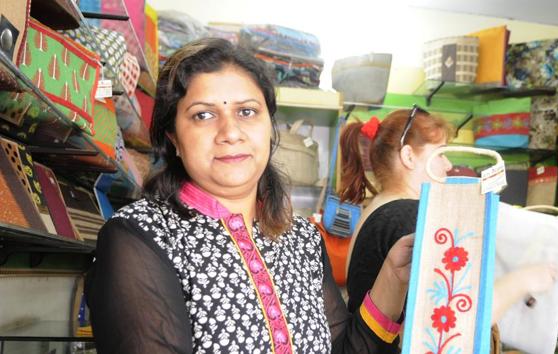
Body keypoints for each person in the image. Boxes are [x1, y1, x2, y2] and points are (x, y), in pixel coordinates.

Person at [86, 38, 415, 354]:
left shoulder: (301, 240)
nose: (230, 132)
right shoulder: (140, 235)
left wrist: (393, 277)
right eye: (203, 114)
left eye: (246, 112)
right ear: (173, 136)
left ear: (269, 126)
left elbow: (342, 348)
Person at [339, 108, 558, 353]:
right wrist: (523, 280)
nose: (448, 164)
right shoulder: (408, 215)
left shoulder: (378, 209)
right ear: (409, 156)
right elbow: (456, 323)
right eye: (440, 153)